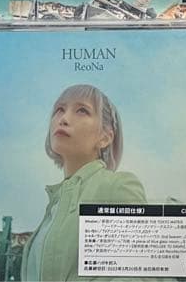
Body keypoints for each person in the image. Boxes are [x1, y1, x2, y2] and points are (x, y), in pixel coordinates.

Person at [21, 85, 146, 281]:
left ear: (105, 137)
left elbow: (141, 274)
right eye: (59, 109)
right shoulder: (53, 205)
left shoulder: (117, 186)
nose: (63, 118)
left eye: (82, 110)